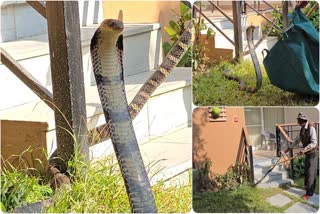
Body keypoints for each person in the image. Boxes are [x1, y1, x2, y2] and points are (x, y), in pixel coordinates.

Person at [285, 112, 318, 200]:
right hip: (307, 154)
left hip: (313, 154)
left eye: (298, 120)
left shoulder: (311, 128)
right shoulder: (302, 129)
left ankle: (309, 193)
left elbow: (314, 143)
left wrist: (304, 149)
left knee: (311, 173)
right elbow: (296, 140)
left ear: (302, 120)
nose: (297, 122)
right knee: (308, 172)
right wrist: (289, 148)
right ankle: (309, 188)